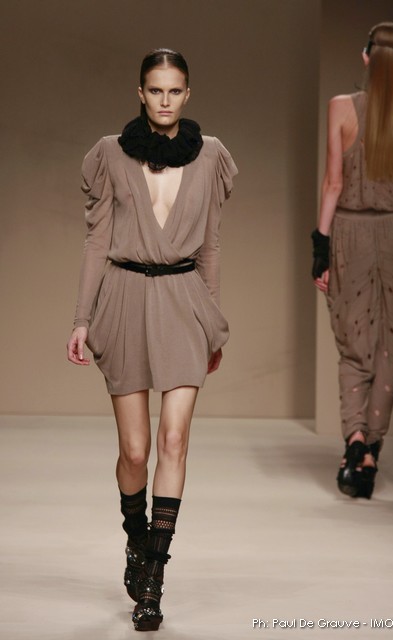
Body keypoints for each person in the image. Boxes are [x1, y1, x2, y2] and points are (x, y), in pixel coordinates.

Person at [67, 48, 237, 631]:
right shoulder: (110, 154)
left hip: (185, 303)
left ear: (188, 93)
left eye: (175, 90)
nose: (165, 100)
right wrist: (81, 318)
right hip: (124, 300)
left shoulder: (211, 155)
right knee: (135, 451)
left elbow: (210, 244)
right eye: (156, 90)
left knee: (174, 439)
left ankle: (154, 578)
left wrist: (212, 319)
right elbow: (97, 241)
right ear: (140, 93)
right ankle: (135, 539)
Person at [311, 22, 393, 499]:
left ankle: (354, 440)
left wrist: (320, 250)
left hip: (349, 234)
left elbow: (333, 184)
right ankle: (371, 451)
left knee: (352, 346)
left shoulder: (340, 108)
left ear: (365, 57)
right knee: (388, 348)